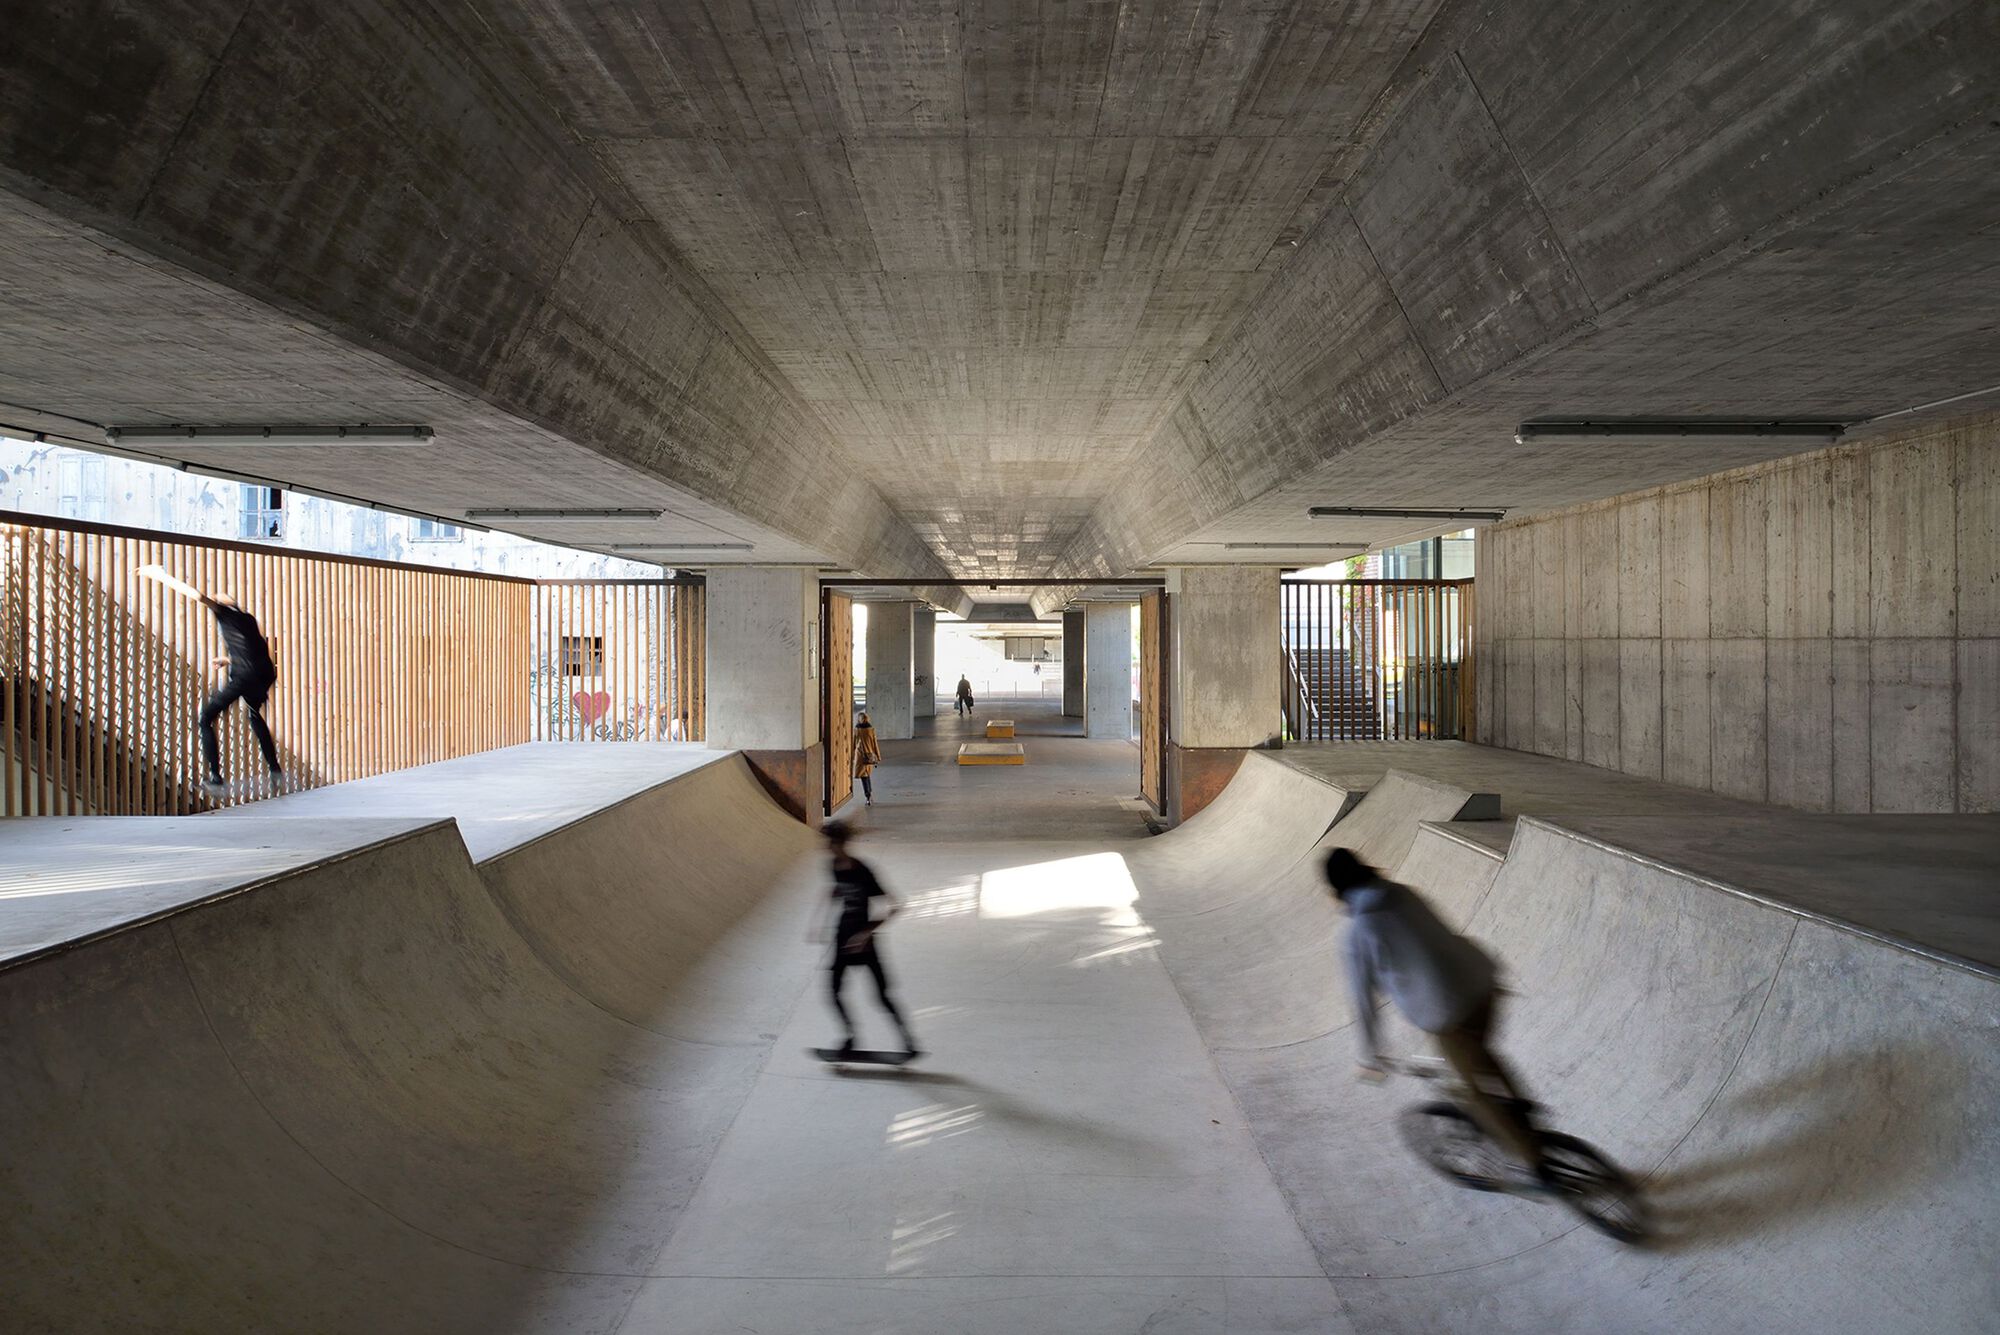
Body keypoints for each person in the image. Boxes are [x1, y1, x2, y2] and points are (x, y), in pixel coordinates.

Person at [1325, 847, 1547, 1183]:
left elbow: (1363, 1003)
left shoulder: (1358, 933)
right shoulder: (1403, 893)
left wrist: (1370, 1056)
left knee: (1475, 1093)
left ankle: (1534, 1163)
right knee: (1482, 1058)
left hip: (1450, 1013)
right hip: (1483, 983)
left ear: (1338, 891)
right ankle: (1522, 1109)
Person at [821, 821, 917, 1057]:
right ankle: (850, 1037)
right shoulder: (833, 866)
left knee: (881, 996)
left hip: (865, 942)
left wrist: (865, 934)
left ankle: (908, 1042)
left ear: (838, 843)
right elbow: (838, 891)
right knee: (833, 991)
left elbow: (895, 905)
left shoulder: (862, 870)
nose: (825, 848)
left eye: (829, 843)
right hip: (842, 937)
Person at [197, 592, 284, 798]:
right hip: (263, 674)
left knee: (205, 719)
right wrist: (228, 659)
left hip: (244, 676)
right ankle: (275, 769)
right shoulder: (248, 619)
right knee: (254, 715)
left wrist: (160, 575)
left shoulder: (224, 614)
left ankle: (216, 779)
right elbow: (251, 651)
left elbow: (199, 596)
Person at [853, 709, 882, 805]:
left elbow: (853, 743)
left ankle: (868, 796)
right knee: (866, 775)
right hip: (870, 755)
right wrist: (878, 756)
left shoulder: (857, 730)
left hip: (860, 756)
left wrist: (851, 755)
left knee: (863, 776)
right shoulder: (871, 730)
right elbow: (875, 744)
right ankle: (869, 795)